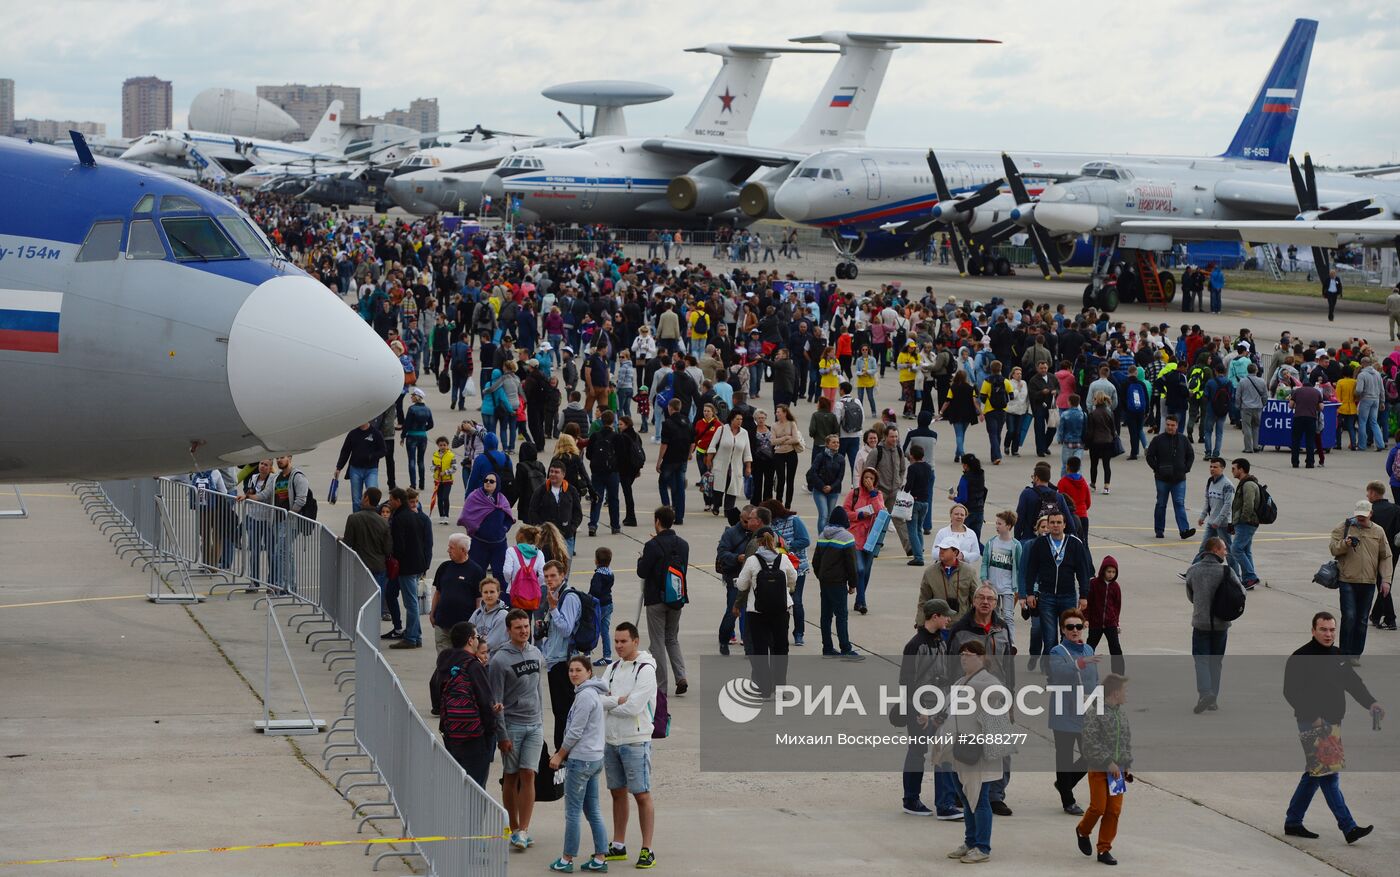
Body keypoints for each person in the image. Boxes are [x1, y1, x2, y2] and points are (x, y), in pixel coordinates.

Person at [1282, 611, 1384, 844]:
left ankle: (1293, 821)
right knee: (1328, 775)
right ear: (1313, 630)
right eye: (1323, 629)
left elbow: (1353, 683)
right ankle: (1348, 827)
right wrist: (1314, 717)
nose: (1328, 634)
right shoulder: (1300, 657)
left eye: (1331, 630)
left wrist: (1371, 702)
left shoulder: (1338, 655)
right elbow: (1291, 692)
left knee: (1315, 773)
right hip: (1313, 723)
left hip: (1334, 723)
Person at [600, 623, 659, 870]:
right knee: (617, 792)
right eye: (616, 641)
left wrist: (610, 704)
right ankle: (618, 844)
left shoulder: (645, 669)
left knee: (641, 794)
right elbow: (597, 697)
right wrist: (615, 701)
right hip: (611, 739)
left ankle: (647, 849)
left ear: (635, 641)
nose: (618, 646)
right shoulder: (612, 668)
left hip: (635, 740)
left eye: (623, 641)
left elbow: (634, 707)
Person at [547, 655, 611, 873]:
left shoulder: (584, 696)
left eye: (578, 670)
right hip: (594, 759)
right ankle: (600, 858)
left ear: (589, 673)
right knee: (593, 810)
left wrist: (559, 755)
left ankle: (566, 859)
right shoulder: (592, 692)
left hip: (581, 760)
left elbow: (575, 731)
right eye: (571, 670)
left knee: (572, 812)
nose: (573, 674)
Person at [490, 608, 545, 852]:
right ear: (509, 630)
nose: (524, 631)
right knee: (511, 776)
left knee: (529, 774)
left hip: (535, 724)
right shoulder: (500, 660)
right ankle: (513, 828)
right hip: (512, 725)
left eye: (526, 626)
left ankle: (524, 829)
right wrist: (501, 734)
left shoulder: (536, 653)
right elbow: (496, 700)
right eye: (518, 628)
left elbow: (538, 690)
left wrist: (541, 719)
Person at [899, 598, 959, 820]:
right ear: (935, 617)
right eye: (946, 615)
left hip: (940, 708)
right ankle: (911, 799)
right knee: (917, 751)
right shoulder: (915, 646)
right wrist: (918, 710)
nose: (949, 619)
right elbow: (906, 682)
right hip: (922, 710)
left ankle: (945, 803)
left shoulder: (940, 642)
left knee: (943, 752)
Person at [947, 640, 1001, 864]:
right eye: (962, 655)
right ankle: (970, 841)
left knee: (979, 800)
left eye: (969, 655)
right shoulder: (960, 681)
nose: (964, 658)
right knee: (965, 797)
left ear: (981, 657)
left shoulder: (988, 681)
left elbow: (997, 696)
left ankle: (983, 847)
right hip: (958, 748)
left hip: (978, 750)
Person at [431, 621, 497, 789]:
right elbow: (486, 702)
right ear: (470, 640)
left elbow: (435, 692)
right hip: (475, 738)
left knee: (457, 789)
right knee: (476, 790)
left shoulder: (444, 664)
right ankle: (472, 817)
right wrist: (490, 733)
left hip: (452, 734)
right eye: (476, 637)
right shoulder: (473, 665)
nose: (477, 640)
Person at [1048, 607, 1101, 815]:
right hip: (1064, 711)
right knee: (1064, 757)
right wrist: (1079, 664)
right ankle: (1067, 800)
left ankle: (1064, 782)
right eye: (1070, 627)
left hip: (1086, 711)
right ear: (1063, 629)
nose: (1075, 630)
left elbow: (1094, 679)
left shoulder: (1088, 649)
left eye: (1078, 626)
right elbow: (1058, 672)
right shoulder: (1057, 651)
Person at [1077, 673, 1133, 866]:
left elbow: (1125, 742)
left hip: (1118, 772)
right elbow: (1090, 743)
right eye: (1124, 690)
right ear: (1115, 693)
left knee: (1114, 811)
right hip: (1099, 769)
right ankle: (1083, 831)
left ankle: (1104, 848)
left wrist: (1125, 764)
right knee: (1098, 807)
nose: (1127, 694)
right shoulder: (1096, 713)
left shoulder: (1121, 714)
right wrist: (1108, 762)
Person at [733, 528, 797, 696]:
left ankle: (765, 688)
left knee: (760, 650)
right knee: (781, 648)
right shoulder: (783, 559)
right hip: (781, 609)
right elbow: (793, 577)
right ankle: (781, 686)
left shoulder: (752, 561)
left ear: (758, 542)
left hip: (757, 611)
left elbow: (741, 585)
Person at [1327, 500, 1393, 659]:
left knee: (1362, 620)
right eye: (1359, 516)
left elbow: (1386, 556)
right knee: (1349, 616)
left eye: (1364, 516)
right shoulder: (1344, 527)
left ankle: (1355, 654)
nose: (1361, 519)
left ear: (1371, 514)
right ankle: (1344, 653)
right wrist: (1345, 544)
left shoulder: (1378, 531)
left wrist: (1386, 580)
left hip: (1368, 582)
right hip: (1347, 580)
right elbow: (1333, 548)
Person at [636, 506, 689, 695]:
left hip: (656, 599)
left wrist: (642, 559)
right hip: (677, 597)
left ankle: (661, 685)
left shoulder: (652, 545)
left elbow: (643, 571)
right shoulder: (683, 544)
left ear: (657, 521)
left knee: (657, 641)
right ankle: (681, 675)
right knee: (672, 638)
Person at [1025, 510, 1092, 659]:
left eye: (1058, 522)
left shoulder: (1074, 543)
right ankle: (1052, 671)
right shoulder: (1040, 543)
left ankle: (1066, 665)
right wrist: (1029, 592)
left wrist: (1084, 595)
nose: (1055, 525)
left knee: (1067, 635)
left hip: (1068, 596)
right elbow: (1031, 569)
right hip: (1046, 596)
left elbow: (1083, 572)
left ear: (1064, 525)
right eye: (1052, 522)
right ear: (1047, 525)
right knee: (1049, 638)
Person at [1185, 536, 1241, 713]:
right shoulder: (1226, 571)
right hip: (1221, 624)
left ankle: (1204, 693)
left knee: (1201, 660)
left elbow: (1190, 595)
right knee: (1216, 662)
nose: (1226, 552)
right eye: (1224, 549)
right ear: (1215, 550)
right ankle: (1212, 699)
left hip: (1200, 623)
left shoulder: (1193, 570)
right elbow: (1241, 593)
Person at [540, 560, 583, 749]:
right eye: (546, 576)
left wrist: (553, 609)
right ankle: (561, 749)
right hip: (553, 660)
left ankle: (564, 750)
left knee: (564, 710)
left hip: (563, 661)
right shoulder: (555, 595)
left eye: (553, 576)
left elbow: (566, 629)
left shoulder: (569, 597)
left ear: (562, 575)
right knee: (559, 710)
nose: (549, 580)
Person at [812, 506, 860, 658]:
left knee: (825, 616)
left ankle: (827, 647)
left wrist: (821, 576)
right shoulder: (847, 538)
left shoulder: (822, 535)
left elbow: (815, 562)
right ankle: (845, 647)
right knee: (841, 616)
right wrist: (853, 584)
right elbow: (851, 564)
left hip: (824, 582)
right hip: (838, 582)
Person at [385, 487, 431, 649]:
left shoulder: (399, 518)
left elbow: (400, 546)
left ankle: (411, 637)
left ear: (398, 500)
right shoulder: (414, 516)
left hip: (407, 566)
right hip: (417, 564)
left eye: (391, 500)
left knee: (410, 602)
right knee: (412, 602)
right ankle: (415, 635)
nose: (389, 503)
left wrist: (393, 557)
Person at [342, 487, 393, 625]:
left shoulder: (353, 518)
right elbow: (388, 549)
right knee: (375, 600)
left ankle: (359, 626)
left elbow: (348, 544)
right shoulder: (384, 522)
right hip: (378, 566)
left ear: (366, 499)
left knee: (360, 599)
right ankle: (372, 627)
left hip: (360, 565)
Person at [428, 533, 487, 652]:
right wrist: (432, 612)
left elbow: (479, 599)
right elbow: (438, 592)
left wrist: (476, 622)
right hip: (442, 623)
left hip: (463, 627)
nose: (448, 550)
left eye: (451, 548)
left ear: (463, 550)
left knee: (461, 658)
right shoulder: (444, 567)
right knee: (444, 659)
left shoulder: (476, 571)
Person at [716, 506, 760, 654]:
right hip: (734, 577)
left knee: (750, 613)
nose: (748, 524)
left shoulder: (758, 533)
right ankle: (724, 640)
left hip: (753, 579)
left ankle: (749, 646)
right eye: (745, 521)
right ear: (741, 518)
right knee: (732, 611)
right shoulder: (731, 533)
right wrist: (736, 558)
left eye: (750, 521)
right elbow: (722, 553)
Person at [843, 468, 886, 614]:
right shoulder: (854, 493)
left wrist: (873, 493)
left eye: (871, 478)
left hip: (871, 537)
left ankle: (859, 601)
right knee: (859, 569)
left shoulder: (878, 494)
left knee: (866, 571)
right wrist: (859, 515)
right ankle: (862, 602)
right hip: (855, 536)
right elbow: (845, 512)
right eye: (866, 477)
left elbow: (881, 512)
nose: (868, 480)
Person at [458, 470, 515, 581]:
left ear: (497, 484)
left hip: (499, 544)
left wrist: (504, 528)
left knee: (501, 574)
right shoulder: (474, 496)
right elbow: (465, 516)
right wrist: (476, 528)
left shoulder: (502, 499)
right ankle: (476, 597)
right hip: (479, 544)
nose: (488, 482)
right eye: (486, 480)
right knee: (476, 574)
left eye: (491, 481)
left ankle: (501, 597)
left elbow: (509, 517)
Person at [1146, 415, 1196, 539]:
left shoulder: (1183, 440)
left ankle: (1184, 530)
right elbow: (1149, 456)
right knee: (1161, 504)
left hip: (1179, 479)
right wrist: (1157, 469)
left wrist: (1186, 468)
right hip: (1162, 479)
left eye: (1172, 425)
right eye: (1168, 425)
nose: (1170, 427)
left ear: (1177, 426)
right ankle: (1159, 530)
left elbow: (1190, 455)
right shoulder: (1158, 440)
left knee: (1179, 503)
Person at [978, 510, 1023, 645]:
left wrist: (1019, 587)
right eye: (996, 523)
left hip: (1008, 587)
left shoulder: (1015, 545)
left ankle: (1010, 642)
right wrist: (984, 578)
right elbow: (985, 562)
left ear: (1008, 526)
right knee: (994, 615)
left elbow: (1019, 567)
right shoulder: (991, 543)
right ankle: (995, 641)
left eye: (1000, 524)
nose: (997, 526)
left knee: (1008, 616)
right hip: (992, 587)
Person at [1364, 481, 1399, 630]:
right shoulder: (1396, 509)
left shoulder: (1370, 511)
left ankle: (1390, 618)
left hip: (1376, 551)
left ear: (1373, 493)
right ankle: (1376, 615)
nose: (1367, 495)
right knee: (1385, 582)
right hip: (1393, 552)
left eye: (1368, 492)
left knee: (1381, 584)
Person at [918, 540, 980, 624]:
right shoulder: (930, 572)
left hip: (961, 624)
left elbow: (976, 599)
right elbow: (923, 600)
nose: (941, 552)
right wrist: (920, 622)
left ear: (955, 552)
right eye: (940, 549)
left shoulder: (969, 571)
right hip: (938, 624)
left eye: (945, 549)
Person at [873, 427, 911, 557]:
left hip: (894, 491)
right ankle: (873, 548)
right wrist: (873, 488)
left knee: (899, 519)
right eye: (892, 436)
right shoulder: (876, 451)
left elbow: (902, 469)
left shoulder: (899, 451)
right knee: (878, 520)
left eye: (896, 436)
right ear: (885, 436)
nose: (895, 439)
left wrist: (899, 481)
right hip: (880, 492)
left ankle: (909, 548)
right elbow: (868, 470)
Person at [531, 464, 584, 558]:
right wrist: (541, 529)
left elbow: (578, 513)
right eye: (551, 471)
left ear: (563, 474)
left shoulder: (571, 491)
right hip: (546, 539)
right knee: (546, 568)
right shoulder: (540, 491)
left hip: (566, 538)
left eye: (556, 472)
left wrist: (571, 528)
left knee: (564, 569)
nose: (553, 474)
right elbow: (532, 512)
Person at [705, 412, 753, 516]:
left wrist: (748, 466)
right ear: (731, 419)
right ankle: (716, 506)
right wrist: (709, 459)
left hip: (736, 466)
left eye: (741, 419)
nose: (740, 421)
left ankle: (728, 509)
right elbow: (712, 445)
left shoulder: (744, 433)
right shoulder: (722, 430)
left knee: (733, 488)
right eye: (737, 419)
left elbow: (747, 451)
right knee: (719, 487)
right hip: (720, 464)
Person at [586, 410, 624, 536]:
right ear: (613, 421)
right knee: (613, 499)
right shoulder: (617, 437)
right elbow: (621, 455)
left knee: (596, 498)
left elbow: (588, 454)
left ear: (601, 421)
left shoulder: (595, 436)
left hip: (597, 471)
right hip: (612, 471)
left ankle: (593, 524)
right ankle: (615, 525)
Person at [333, 422, 387, 511]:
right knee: (356, 500)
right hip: (355, 469)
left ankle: (372, 519)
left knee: (373, 496)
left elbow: (383, 450)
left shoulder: (376, 433)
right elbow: (345, 451)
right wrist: (339, 467)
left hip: (371, 470)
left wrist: (371, 456)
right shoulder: (352, 433)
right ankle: (357, 520)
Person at [1085, 556, 1125, 676]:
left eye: (1113, 572)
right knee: (1089, 648)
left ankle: (1118, 674)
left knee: (1115, 649)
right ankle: (1086, 671)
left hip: (1110, 624)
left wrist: (1116, 622)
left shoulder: (1116, 587)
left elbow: (1117, 607)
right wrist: (1086, 619)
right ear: (1103, 570)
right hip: (1095, 623)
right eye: (1109, 571)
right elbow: (1088, 603)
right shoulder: (1094, 584)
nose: (1111, 574)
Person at [656, 399, 691, 525]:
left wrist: (659, 460)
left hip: (670, 459)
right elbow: (692, 440)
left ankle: (667, 512)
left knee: (663, 484)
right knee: (679, 487)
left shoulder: (668, 423)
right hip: (682, 459)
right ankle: (679, 516)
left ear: (670, 408)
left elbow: (664, 444)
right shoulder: (686, 421)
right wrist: (689, 454)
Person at [1197, 457, 1236, 568]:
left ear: (1222, 468)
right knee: (1204, 547)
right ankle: (1194, 569)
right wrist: (1203, 516)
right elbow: (1207, 500)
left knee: (1228, 550)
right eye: (1211, 466)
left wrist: (1218, 520)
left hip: (1222, 523)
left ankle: (1236, 575)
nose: (1212, 469)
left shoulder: (1227, 485)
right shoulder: (1210, 481)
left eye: (1215, 467)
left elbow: (1228, 505)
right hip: (1211, 522)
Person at [904, 445, 934, 566]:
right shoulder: (928, 467)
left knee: (912, 530)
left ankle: (918, 557)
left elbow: (909, 485)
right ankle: (919, 551)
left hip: (914, 501)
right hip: (925, 501)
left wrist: (903, 491)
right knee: (919, 529)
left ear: (912, 455)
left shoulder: (912, 468)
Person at [1084, 394, 1116, 494]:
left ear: (1096, 401)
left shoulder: (1092, 414)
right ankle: (1106, 487)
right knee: (1107, 465)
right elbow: (1113, 429)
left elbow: (1090, 432)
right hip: (1107, 441)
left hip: (1095, 442)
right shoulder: (1110, 413)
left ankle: (1093, 484)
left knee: (1094, 464)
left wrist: (1086, 444)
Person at [589, 548, 616, 667]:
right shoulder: (610, 573)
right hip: (609, 603)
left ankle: (587, 652)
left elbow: (595, 591)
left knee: (592, 628)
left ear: (597, 560)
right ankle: (607, 656)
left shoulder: (598, 575)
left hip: (600, 606)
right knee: (605, 630)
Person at [1288, 379, 1323, 469]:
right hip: (1311, 418)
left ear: (1303, 385)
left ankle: (1295, 462)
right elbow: (1321, 407)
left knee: (1296, 440)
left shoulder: (1297, 391)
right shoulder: (1317, 392)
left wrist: (1298, 405)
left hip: (1298, 418)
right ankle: (1310, 463)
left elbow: (1291, 406)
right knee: (1310, 441)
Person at [1057, 456, 1091, 542]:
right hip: (1083, 515)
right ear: (1079, 467)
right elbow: (1088, 501)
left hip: (1069, 516)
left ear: (1067, 466)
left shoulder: (1063, 482)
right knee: (1084, 543)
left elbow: (1060, 500)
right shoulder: (1083, 482)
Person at [470, 577, 510, 652]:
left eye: (492, 592)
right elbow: (468, 634)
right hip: (477, 655)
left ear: (498, 593)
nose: (488, 595)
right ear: (481, 594)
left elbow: (493, 643)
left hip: (496, 658)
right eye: (485, 592)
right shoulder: (477, 613)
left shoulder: (503, 615)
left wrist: (474, 645)